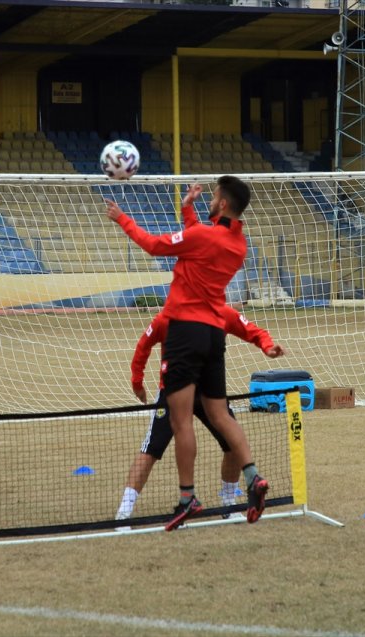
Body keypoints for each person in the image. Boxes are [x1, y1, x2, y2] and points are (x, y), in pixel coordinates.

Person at [105, 177, 269, 531]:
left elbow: (152, 245)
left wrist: (122, 218)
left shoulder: (203, 237)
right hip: (213, 334)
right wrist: (188, 207)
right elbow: (200, 240)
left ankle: (187, 497)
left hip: (185, 331)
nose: (209, 199)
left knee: (181, 422)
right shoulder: (236, 243)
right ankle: (253, 476)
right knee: (221, 414)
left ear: (223, 204)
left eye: (212, 196)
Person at [116, 307, 285, 522]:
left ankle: (229, 504)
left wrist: (268, 347)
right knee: (151, 449)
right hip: (173, 392)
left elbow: (253, 331)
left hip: (209, 394)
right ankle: (123, 512)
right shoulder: (167, 318)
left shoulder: (224, 313)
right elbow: (143, 346)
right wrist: (137, 382)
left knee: (232, 444)